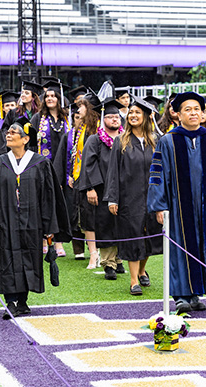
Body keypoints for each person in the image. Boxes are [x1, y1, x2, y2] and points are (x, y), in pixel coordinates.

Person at [148, 92, 206, 313]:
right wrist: (159, 205)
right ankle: (180, 295)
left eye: (197, 109)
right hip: (178, 206)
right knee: (179, 248)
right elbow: (158, 175)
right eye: (187, 109)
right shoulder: (168, 141)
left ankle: (196, 292)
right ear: (177, 114)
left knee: (203, 247)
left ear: (204, 113)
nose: (193, 113)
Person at [0, 120, 69, 319]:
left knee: (29, 258)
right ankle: (11, 301)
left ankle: (22, 301)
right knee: (7, 257)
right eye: (8, 132)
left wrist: (49, 225)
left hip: (33, 221)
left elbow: (48, 196)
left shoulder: (40, 163)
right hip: (6, 220)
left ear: (25, 139)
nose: (9, 135)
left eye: (14, 133)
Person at [104, 97, 163, 296]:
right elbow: (113, 172)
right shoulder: (121, 141)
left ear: (146, 116)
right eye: (131, 112)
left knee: (149, 237)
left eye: (138, 113)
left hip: (152, 198)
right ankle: (133, 280)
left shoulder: (155, 141)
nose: (133, 115)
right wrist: (113, 198)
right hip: (129, 198)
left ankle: (142, 269)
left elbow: (162, 172)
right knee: (133, 237)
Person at [79, 98, 125, 279]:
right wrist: (90, 188)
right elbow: (88, 165)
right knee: (105, 224)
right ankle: (108, 263)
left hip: (122, 189)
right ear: (103, 119)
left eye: (118, 117)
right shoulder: (95, 140)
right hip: (101, 189)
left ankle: (119, 259)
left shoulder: (124, 138)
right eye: (111, 117)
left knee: (121, 224)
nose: (115, 119)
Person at [54, 94, 100, 260]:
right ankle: (79, 250)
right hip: (76, 180)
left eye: (81, 107)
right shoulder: (72, 135)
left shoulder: (98, 132)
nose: (77, 111)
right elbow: (62, 158)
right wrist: (62, 178)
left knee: (93, 215)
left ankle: (102, 252)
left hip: (96, 179)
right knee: (77, 214)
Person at [30, 80, 69, 162]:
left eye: (53, 96)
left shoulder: (67, 118)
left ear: (59, 99)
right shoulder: (38, 118)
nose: (49, 99)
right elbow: (31, 142)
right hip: (44, 164)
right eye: (47, 96)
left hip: (64, 163)